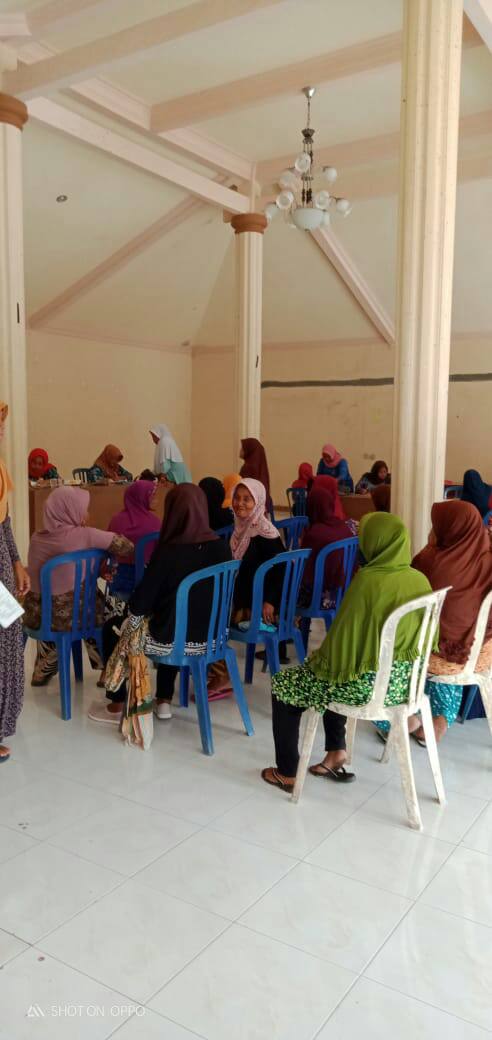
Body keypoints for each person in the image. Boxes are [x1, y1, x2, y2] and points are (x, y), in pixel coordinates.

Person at [261, 512, 431, 791]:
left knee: (288, 683)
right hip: (403, 684)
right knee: (339, 668)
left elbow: (341, 645)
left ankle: (287, 772)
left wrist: (315, 661)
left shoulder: (368, 581)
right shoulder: (419, 579)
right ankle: (335, 752)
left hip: (365, 689)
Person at [99, 484, 232, 723]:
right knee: (174, 617)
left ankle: (117, 703)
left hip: (172, 639)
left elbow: (140, 604)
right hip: (213, 638)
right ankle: (163, 700)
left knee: (113, 628)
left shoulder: (169, 551)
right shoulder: (222, 547)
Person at [23, 486, 133, 686]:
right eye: (83, 509)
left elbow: (62, 573)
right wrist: (104, 555)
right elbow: (127, 547)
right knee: (108, 613)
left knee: (58, 604)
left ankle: (44, 667)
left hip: (37, 616)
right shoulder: (86, 535)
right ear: (72, 511)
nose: (86, 513)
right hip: (76, 617)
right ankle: (107, 668)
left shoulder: (36, 538)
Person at [409, 500, 492, 743]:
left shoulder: (430, 560)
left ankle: (409, 718)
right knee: (451, 634)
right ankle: (441, 719)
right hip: (483, 650)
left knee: (418, 640)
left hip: (443, 654)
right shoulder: (487, 555)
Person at [208, 478, 284, 695]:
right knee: (205, 607)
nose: (240, 503)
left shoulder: (265, 533)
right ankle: (211, 668)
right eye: (237, 498)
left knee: (207, 619)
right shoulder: (241, 529)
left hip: (256, 609)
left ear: (258, 501)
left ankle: (220, 673)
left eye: (247, 499)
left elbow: (281, 568)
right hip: (244, 598)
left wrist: (270, 601)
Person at [0, 402, 30, 763]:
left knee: (8, 636)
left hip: (3, 571)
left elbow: (3, 523)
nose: (2, 431)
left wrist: (18, 563)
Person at [298, 486, 355, 608]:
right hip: (345, 592)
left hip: (321, 596)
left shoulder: (314, 534)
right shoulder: (344, 527)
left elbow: (305, 571)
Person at [107, 480, 161, 599]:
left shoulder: (116, 520)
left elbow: (109, 548)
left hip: (119, 581)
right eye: (152, 495)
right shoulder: (155, 522)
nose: (155, 499)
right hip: (147, 582)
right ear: (142, 497)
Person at [239, 438, 273, 514]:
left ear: (249, 450)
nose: (240, 450)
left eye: (242, 448)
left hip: (250, 508)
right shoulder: (259, 466)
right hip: (261, 507)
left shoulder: (248, 468)